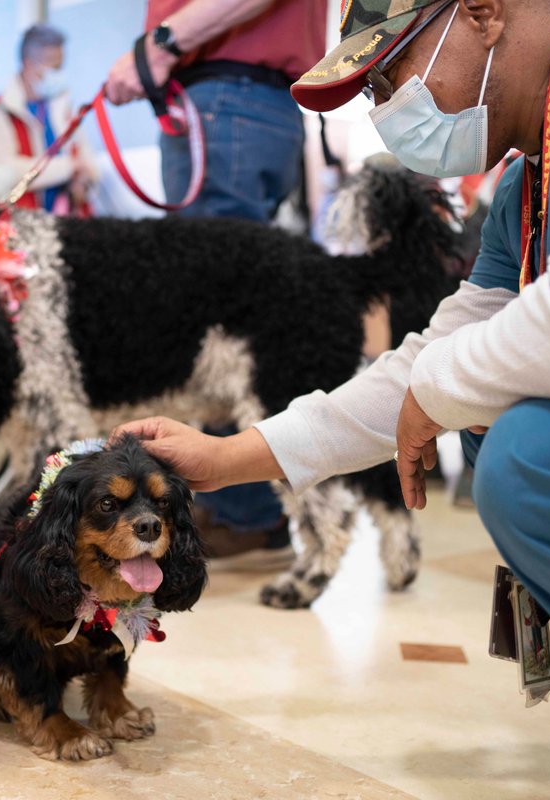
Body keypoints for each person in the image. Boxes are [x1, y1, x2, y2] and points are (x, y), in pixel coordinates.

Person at [115, 1, 550, 799]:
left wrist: (442, 390)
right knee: (501, 422)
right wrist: (228, 458)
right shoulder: (532, 177)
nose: (386, 116)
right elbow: (431, 359)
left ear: (484, 13)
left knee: (538, 458)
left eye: (391, 75)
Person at [104, 0, 326, 560]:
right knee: (235, 323)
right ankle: (248, 507)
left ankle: (247, 512)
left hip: (227, 98)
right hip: (243, 102)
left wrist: (160, 44)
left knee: (221, 329)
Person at [0, 25, 98, 216]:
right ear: (28, 63)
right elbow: (7, 171)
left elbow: (89, 163)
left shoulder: (64, 106)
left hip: (69, 221)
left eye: (60, 65)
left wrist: (84, 179)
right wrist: (70, 167)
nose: (56, 72)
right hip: (22, 222)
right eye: (51, 64)